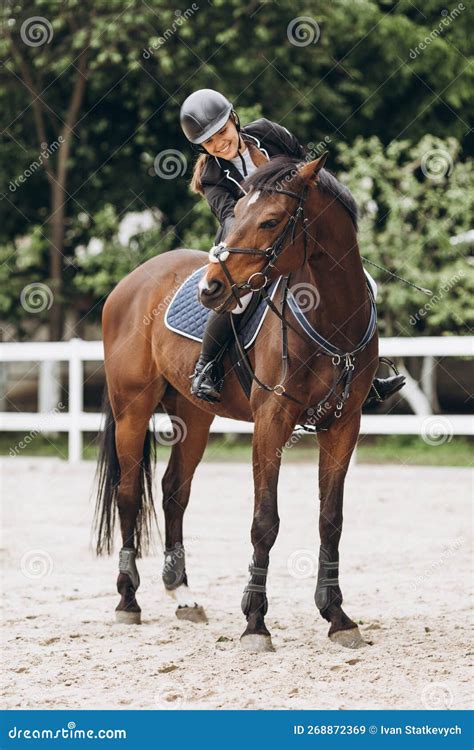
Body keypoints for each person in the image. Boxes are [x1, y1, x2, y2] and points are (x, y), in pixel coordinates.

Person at [180, 88, 405, 405]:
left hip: (293, 233)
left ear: (234, 120)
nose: (218, 144)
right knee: (237, 300)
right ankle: (207, 367)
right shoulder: (212, 174)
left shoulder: (268, 133)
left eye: (222, 133)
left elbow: (306, 171)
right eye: (209, 142)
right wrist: (254, 243)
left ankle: (364, 374)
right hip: (244, 242)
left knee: (363, 284)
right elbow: (229, 217)